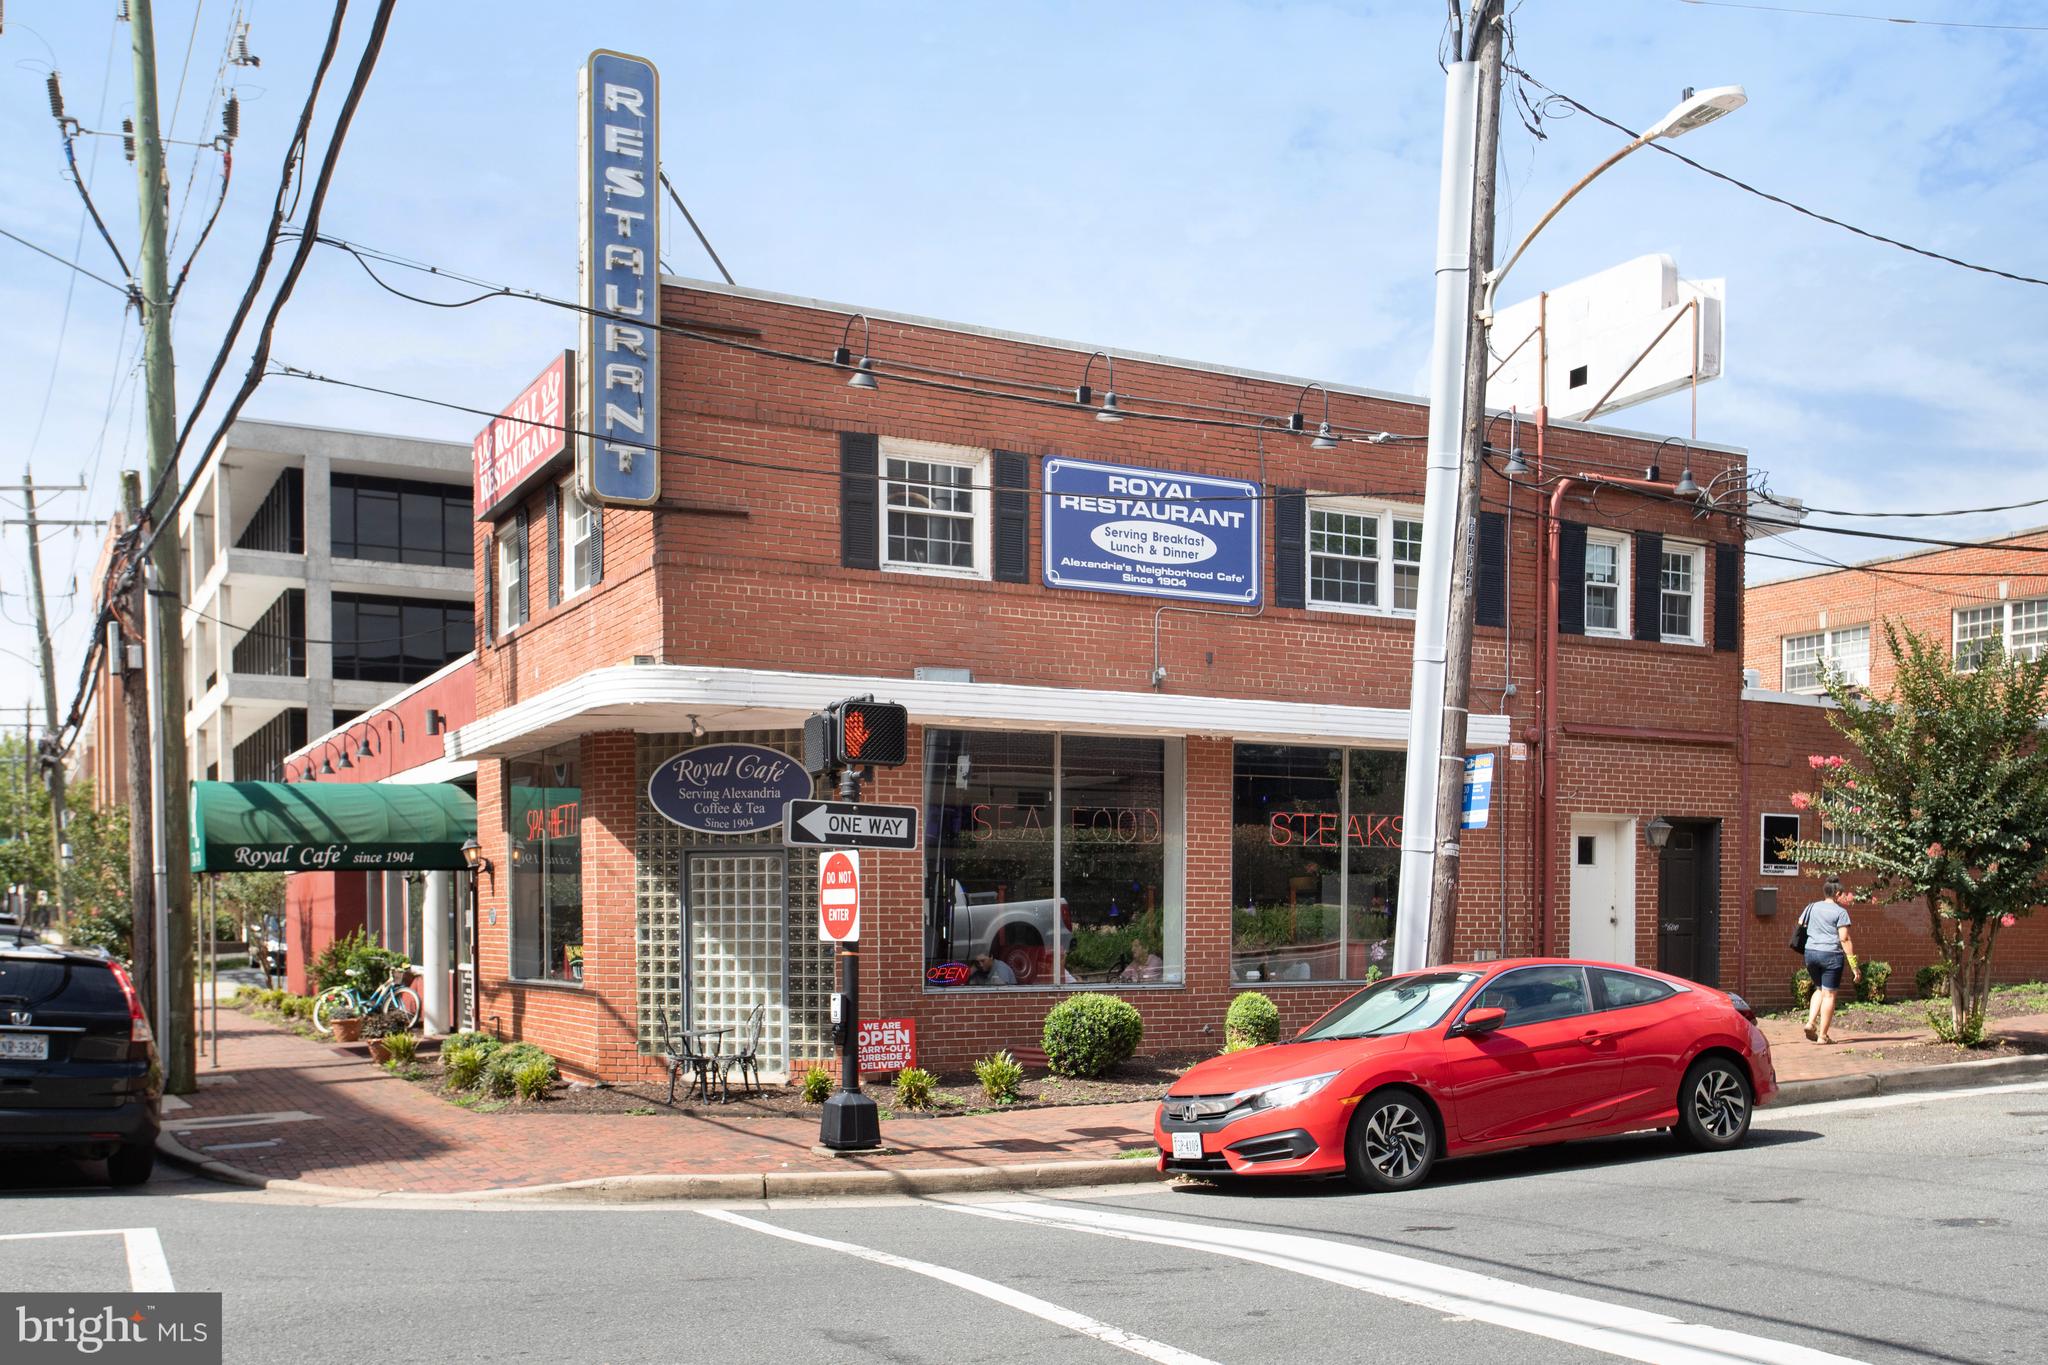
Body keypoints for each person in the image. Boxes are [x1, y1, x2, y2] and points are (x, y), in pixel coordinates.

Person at [1801, 876, 1862, 1044]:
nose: (1843, 897)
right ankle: (1822, 1036)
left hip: (1811, 953)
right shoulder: (1840, 912)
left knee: (1820, 989)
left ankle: (1810, 1022)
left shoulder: (1811, 907)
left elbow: (1801, 923)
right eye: (1842, 894)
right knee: (1829, 995)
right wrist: (1854, 966)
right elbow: (1844, 939)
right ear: (1837, 893)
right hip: (1831, 955)